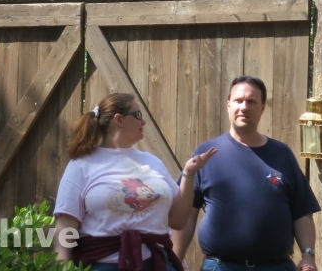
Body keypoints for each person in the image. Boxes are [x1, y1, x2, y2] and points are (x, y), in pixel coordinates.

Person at [54, 92, 218, 271]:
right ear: (119, 120)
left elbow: (178, 221)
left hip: (156, 264)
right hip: (104, 266)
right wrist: (63, 267)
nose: (143, 122)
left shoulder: (152, 162)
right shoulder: (81, 165)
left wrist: (188, 174)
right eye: (137, 115)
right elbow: (65, 226)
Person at [172, 76, 320, 271]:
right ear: (228, 105)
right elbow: (186, 217)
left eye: (252, 101)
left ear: (262, 108)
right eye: (238, 100)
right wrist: (173, 262)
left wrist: (308, 255)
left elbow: (302, 212)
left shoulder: (282, 154)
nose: (244, 107)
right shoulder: (205, 154)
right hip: (221, 265)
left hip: (277, 267)